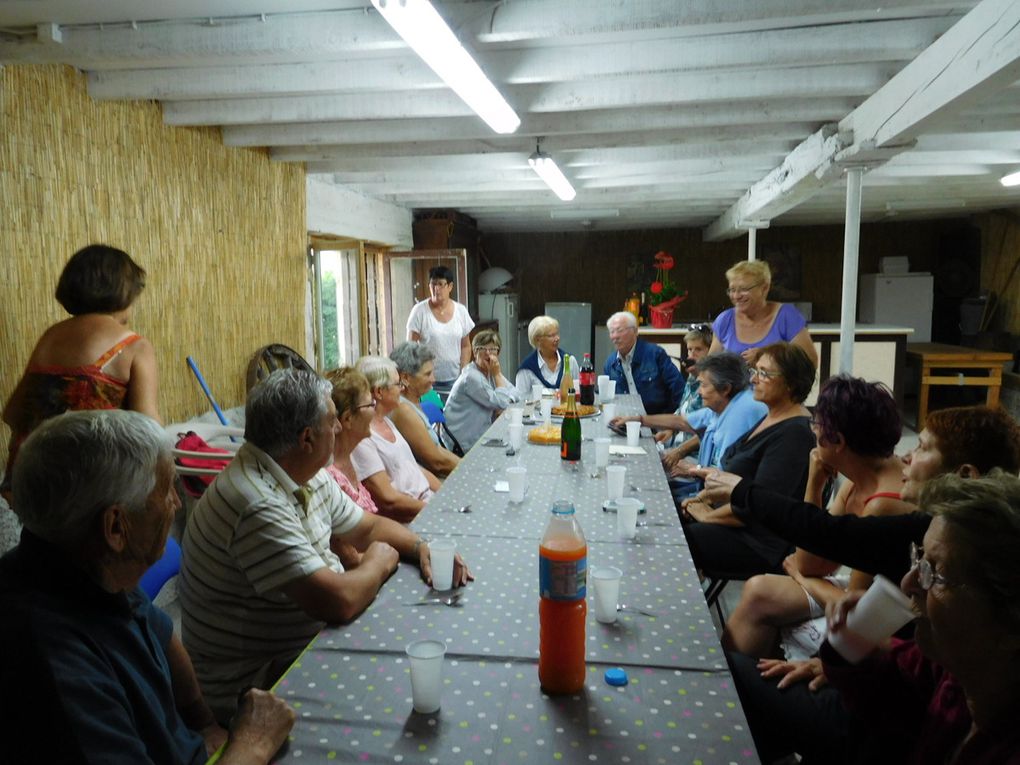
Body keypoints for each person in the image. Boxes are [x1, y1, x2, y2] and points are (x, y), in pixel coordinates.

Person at [696, 405, 1020, 764]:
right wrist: (845, 657)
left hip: (863, 713)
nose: (910, 584)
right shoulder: (947, 662)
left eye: (934, 572)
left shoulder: (911, 518)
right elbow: (901, 659)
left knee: (732, 677)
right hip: (864, 680)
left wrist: (744, 492)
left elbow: (824, 539)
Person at [0, 409, 294, 765]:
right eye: (167, 487)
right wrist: (253, 742)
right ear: (116, 528)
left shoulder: (85, 560)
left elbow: (162, 634)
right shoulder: (52, 660)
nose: (175, 502)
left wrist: (203, 723)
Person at [180, 369, 471, 722]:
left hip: (306, 646)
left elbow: (368, 526)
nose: (338, 429)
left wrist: (419, 546)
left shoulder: (304, 471)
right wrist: (378, 563)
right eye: (332, 421)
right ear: (306, 438)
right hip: (260, 688)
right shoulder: (255, 502)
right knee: (401, 700)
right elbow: (339, 601)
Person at [824, 472, 1020, 763]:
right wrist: (855, 645)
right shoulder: (956, 667)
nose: (907, 583)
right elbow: (893, 691)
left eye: (936, 574)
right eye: (920, 559)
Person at [723, 376, 915, 661]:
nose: (814, 430)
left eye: (818, 424)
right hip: (853, 593)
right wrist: (814, 483)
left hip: (879, 618)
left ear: (838, 441)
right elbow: (812, 561)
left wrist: (802, 578)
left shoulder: (884, 505)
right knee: (757, 590)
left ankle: (739, 685)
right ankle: (736, 681)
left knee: (760, 597)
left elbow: (854, 609)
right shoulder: (859, 476)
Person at [2, 244, 161, 500]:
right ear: (121, 291)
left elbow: (12, 414)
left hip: (31, 485)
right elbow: (150, 432)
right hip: (89, 493)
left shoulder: (50, 337)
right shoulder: (134, 347)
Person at [681, 342, 816, 578]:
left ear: (791, 383)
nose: (753, 379)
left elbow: (760, 507)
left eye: (764, 374)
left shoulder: (794, 434)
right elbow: (738, 476)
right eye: (755, 371)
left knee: (676, 540)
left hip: (760, 543)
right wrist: (701, 498)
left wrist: (706, 516)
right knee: (667, 519)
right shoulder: (770, 416)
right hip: (735, 519)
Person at [611, 352, 766, 495]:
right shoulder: (724, 404)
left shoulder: (739, 415)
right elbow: (682, 421)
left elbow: (725, 476)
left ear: (725, 388)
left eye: (704, 385)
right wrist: (639, 420)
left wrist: (692, 469)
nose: (699, 391)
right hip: (706, 484)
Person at [353, 356, 440, 521]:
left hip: (425, 505)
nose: (402, 388)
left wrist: (445, 496)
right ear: (379, 392)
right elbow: (388, 500)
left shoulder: (386, 421)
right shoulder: (363, 437)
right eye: (397, 384)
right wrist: (433, 509)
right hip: (410, 518)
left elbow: (412, 468)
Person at [709, 260, 818, 369]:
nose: (736, 296)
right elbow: (711, 367)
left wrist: (765, 356)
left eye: (743, 289)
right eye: (732, 290)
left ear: (764, 288)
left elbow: (809, 362)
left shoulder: (787, 317)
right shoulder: (725, 320)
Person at [388, 342, 460, 477]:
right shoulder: (404, 410)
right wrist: (470, 469)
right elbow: (436, 462)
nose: (433, 379)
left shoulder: (414, 403)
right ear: (405, 378)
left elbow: (438, 449)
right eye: (427, 374)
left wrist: (465, 464)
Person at [443, 329, 521, 451]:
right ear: (474, 352)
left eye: (493, 349)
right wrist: (497, 375)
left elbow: (516, 392)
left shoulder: (489, 372)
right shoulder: (472, 377)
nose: (488, 353)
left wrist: (506, 399)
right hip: (462, 442)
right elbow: (500, 402)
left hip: (481, 434)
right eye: (483, 349)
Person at [406, 265, 474, 398]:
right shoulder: (419, 311)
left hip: (455, 380)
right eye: (433, 284)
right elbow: (410, 347)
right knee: (432, 417)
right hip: (428, 382)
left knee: (452, 417)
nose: (437, 289)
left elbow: (465, 345)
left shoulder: (461, 311)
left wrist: (463, 372)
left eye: (441, 284)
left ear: (450, 286)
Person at [324, 367, 381, 515]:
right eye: (370, 405)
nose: (374, 410)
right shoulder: (331, 477)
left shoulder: (347, 458)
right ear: (348, 419)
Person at [603, 311, 684, 415]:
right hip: (625, 420)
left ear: (635, 331)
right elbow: (608, 399)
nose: (615, 336)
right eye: (612, 331)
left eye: (620, 330)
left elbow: (679, 389)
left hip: (657, 420)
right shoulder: (610, 363)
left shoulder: (655, 354)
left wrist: (672, 422)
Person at [656, 324, 713, 449]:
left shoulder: (713, 386)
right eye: (690, 349)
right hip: (677, 443)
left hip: (693, 454)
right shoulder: (693, 377)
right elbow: (683, 408)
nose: (692, 355)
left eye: (698, 349)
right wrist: (670, 429)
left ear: (711, 351)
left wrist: (679, 452)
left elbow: (709, 429)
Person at [515, 315, 577, 398]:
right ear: (538, 340)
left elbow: (578, 392)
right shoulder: (526, 369)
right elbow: (520, 402)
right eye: (551, 335)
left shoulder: (569, 361)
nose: (557, 338)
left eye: (557, 334)